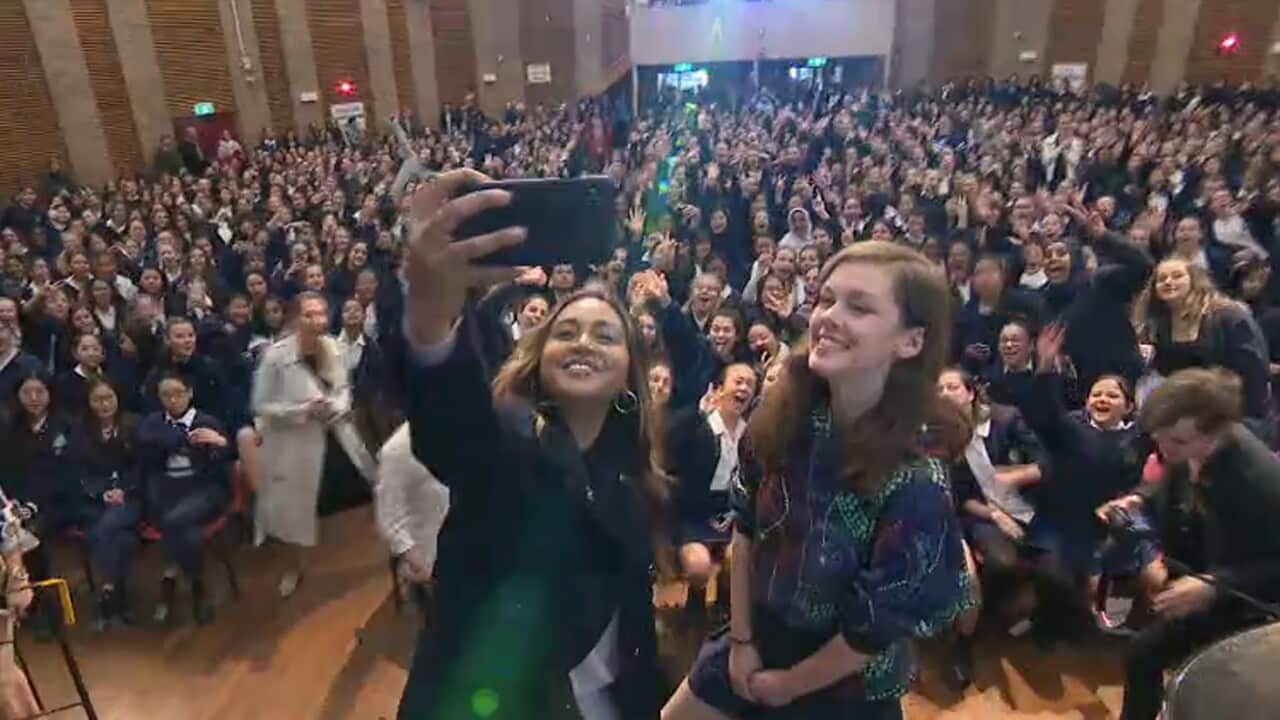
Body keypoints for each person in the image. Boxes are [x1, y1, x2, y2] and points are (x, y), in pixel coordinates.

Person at [398, 170, 669, 720]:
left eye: (605, 335)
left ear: (627, 378)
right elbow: (453, 428)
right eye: (565, 333)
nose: (584, 343)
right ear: (538, 363)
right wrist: (430, 317)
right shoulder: (508, 442)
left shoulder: (634, 475)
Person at [663, 241, 973, 719]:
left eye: (859, 307)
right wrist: (743, 641)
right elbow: (745, 528)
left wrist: (788, 685)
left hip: (843, 679)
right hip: (759, 631)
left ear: (911, 341)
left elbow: (873, 628)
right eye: (826, 300)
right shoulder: (781, 418)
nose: (828, 316)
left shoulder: (916, 479)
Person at [1098, 368, 1280, 720]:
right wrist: (1139, 499)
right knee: (1142, 656)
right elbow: (1173, 479)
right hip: (1210, 580)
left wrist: (1213, 586)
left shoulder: (1259, 481)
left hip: (1251, 607)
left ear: (1219, 431)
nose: (1165, 450)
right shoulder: (1192, 448)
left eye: (1177, 442)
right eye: (1160, 439)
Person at [252, 292, 376, 598]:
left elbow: (344, 388)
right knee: (293, 512)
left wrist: (333, 405)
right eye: (309, 314)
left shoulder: (333, 348)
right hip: (294, 443)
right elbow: (262, 405)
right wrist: (301, 411)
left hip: (335, 432)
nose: (317, 320)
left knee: (364, 489)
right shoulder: (275, 356)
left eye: (321, 313)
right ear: (295, 319)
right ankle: (293, 568)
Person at [665, 363, 759, 623]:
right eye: (738, 381)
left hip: (732, 515)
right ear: (719, 390)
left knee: (739, 558)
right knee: (698, 566)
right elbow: (671, 449)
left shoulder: (750, 435)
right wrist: (697, 414)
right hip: (694, 517)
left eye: (750, 384)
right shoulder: (697, 427)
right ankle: (694, 609)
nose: (744, 388)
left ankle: (723, 611)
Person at [137, 374, 232, 625]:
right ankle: (197, 586)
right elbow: (147, 440)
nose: (173, 399)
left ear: (189, 393)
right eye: (166, 395)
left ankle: (170, 578)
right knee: (183, 526)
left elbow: (226, 460)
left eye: (178, 393)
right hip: (167, 490)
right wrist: (185, 439)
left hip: (204, 489)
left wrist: (219, 442)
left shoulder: (208, 421)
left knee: (175, 519)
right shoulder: (153, 423)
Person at [73, 380, 142, 627]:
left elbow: (141, 467)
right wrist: (102, 492)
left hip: (130, 498)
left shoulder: (134, 426)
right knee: (124, 539)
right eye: (97, 399)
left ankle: (107, 590)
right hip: (94, 502)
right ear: (89, 403)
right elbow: (78, 472)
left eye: (109, 398)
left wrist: (124, 490)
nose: (104, 404)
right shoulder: (80, 431)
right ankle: (119, 597)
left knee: (105, 529)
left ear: (117, 398)